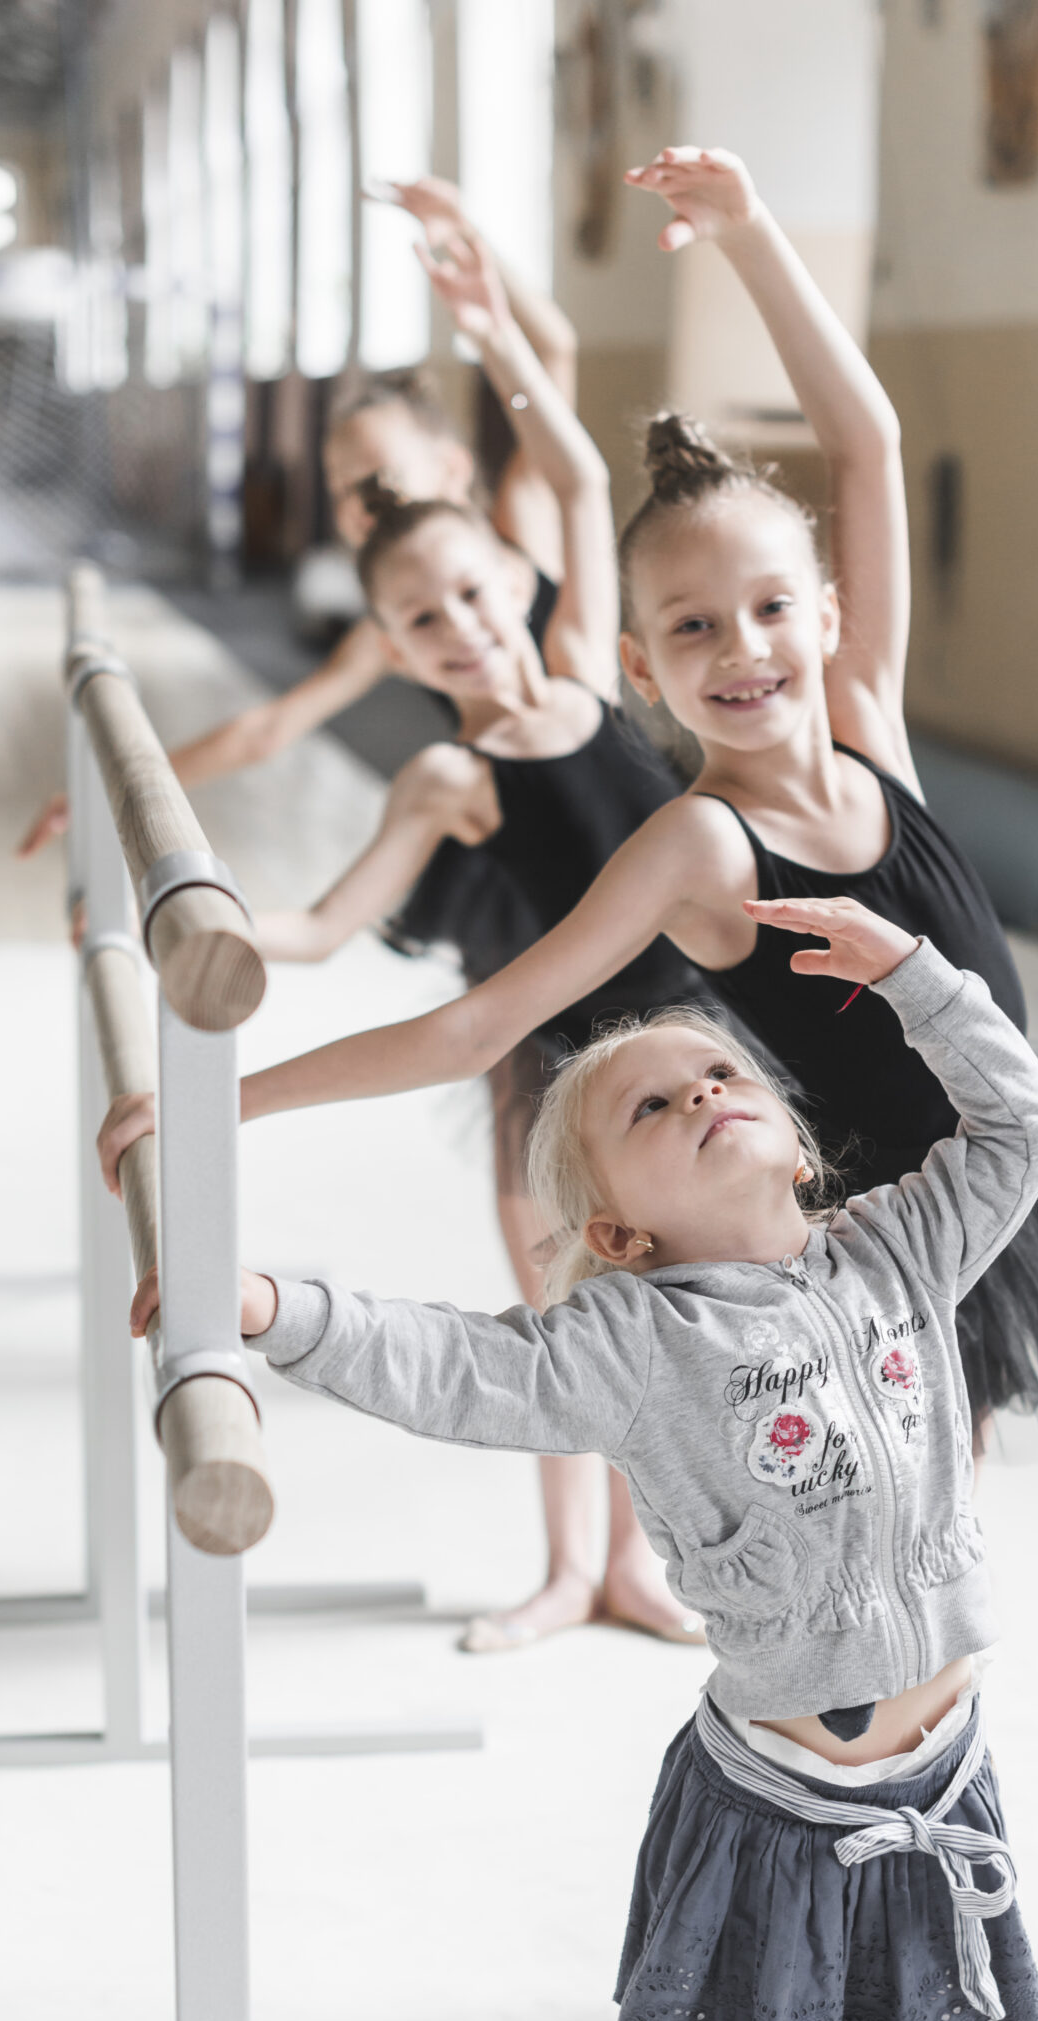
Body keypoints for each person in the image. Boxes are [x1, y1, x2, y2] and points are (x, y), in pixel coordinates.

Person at [132, 899, 1038, 2021]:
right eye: (653, 1106)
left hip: (934, 1785)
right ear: (620, 1231)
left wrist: (916, 980)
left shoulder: (900, 1253)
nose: (704, 1090)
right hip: (783, 1800)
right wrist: (277, 1308)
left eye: (718, 1071)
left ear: (792, 1130)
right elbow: (457, 1366)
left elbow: (1024, 1119)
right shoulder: (630, 1340)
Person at [107, 144, 1038, 1460]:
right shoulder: (700, 843)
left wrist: (753, 233)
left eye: (769, 611)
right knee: (899, 1503)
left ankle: (925, 1674)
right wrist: (223, 1101)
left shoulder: (867, 716)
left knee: (947, 1508)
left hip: (1005, 1159)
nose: (743, 650)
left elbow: (865, 448)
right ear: (641, 665)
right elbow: (480, 1023)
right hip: (862, 1230)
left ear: (826, 616)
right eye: (693, 629)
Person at [241, 221, 726, 1650]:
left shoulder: (584, 658)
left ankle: (639, 1568)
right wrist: (196, 911)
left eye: (467, 593)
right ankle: (567, 1568)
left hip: (694, 1036)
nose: (458, 626)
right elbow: (326, 931)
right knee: (566, 1323)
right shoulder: (445, 779)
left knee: (682, 1315)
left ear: (509, 582)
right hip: (553, 1076)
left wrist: (495, 331)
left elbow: (576, 471)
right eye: (418, 621)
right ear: (392, 649)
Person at [15, 176, 576, 860]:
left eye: (378, 479)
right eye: (339, 487)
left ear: (454, 471)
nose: (354, 504)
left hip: (600, 792)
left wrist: (463, 233)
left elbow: (555, 354)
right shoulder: (394, 625)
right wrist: (116, 791)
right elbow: (269, 729)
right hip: (517, 828)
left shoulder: (526, 522)